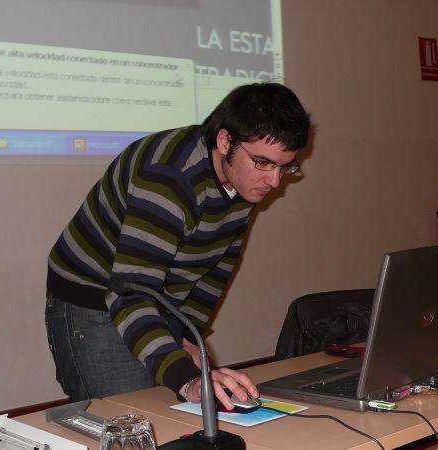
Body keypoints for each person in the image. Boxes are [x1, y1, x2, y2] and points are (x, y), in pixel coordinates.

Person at [45, 81, 311, 411]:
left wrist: (187, 334)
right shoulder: (169, 177)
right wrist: (187, 380)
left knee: (177, 414)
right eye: (263, 162)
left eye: (285, 167)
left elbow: (217, 266)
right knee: (132, 420)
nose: (274, 181)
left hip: (152, 299)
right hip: (96, 298)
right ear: (225, 140)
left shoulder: (244, 178)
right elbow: (131, 293)